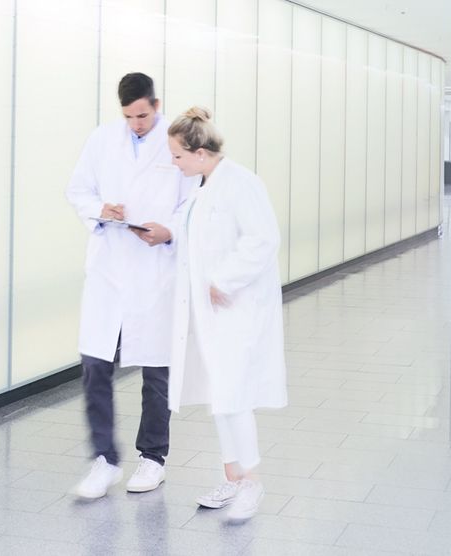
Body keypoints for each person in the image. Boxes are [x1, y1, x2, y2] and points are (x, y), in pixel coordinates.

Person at [141, 106, 287, 522]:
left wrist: (224, 280)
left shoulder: (241, 183)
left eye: (178, 156)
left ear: (200, 152)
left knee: (234, 395)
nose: (174, 163)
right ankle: (233, 478)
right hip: (210, 313)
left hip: (236, 308)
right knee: (221, 395)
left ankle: (252, 482)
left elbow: (263, 239)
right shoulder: (202, 187)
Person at [64, 73, 194, 499]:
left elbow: (193, 203)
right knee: (95, 365)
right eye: (129, 117)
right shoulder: (102, 139)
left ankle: (153, 457)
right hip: (109, 268)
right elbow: (78, 190)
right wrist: (100, 209)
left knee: (156, 369)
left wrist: (170, 231)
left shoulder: (177, 142)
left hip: (155, 269)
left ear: (156, 104)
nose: (136, 124)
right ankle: (104, 459)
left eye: (142, 115)